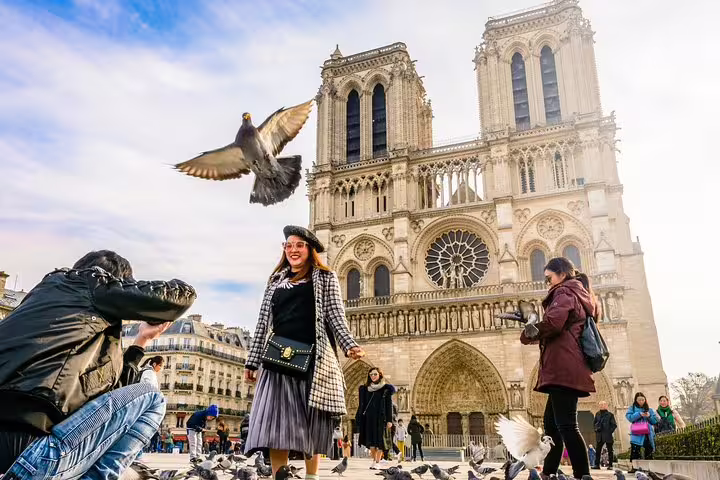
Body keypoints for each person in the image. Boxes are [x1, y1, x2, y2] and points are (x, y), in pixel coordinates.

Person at [0, 250, 196, 477]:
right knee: (152, 397)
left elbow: (114, 396)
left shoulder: (42, 306)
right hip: (33, 457)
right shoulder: (86, 281)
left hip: (14, 455)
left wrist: (141, 341)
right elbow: (178, 299)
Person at [243, 225, 365, 479]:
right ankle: (280, 475)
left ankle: (311, 476)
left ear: (309, 250)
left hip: (313, 358)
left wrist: (348, 344)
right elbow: (263, 321)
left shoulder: (325, 277)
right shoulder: (275, 281)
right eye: (289, 245)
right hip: (278, 358)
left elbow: (334, 315)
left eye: (299, 245)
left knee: (311, 422)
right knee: (276, 422)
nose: (293, 250)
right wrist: (252, 361)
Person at [520, 258, 597, 480]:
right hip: (564, 365)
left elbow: (554, 323)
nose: (547, 282)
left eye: (549, 277)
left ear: (562, 274)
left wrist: (529, 331)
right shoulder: (578, 293)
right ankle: (548, 472)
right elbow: (561, 328)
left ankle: (583, 475)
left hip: (564, 367)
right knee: (552, 425)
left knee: (567, 425)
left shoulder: (565, 292)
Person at [357, 367, 396, 469]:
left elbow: (389, 405)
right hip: (369, 419)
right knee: (371, 443)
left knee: (380, 442)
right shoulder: (365, 389)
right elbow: (361, 405)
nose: (373, 376)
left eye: (375, 374)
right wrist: (359, 417)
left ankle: (377, 461)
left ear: (380, 375)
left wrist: (389, 420)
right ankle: (375, 460)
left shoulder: (385, 389)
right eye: (371, 375)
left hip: (381, 419)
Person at [626, 392, 658, 467]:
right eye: (639, 400)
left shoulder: (649, 410)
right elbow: (629, 418)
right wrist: (639, 414)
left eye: (643, 400)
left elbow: (654, 421)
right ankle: (634, 467)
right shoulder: (632, 408)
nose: (641, 401)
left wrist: (649, 416)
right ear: (636, 400)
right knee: (635, 450)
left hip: (647, 432)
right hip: (637, 432)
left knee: (648, 449)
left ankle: (649, 467)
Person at [592, 400, 617, 470]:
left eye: (603, 404)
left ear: (606, 405)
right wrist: (596, 430)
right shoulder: (597, 414)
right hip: (599, 435)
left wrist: (609, 432)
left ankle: (610, 465)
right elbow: (594, 423)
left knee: (610, 450)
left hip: (607, 435)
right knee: (598, 450)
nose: (602, 406)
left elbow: (614, 425)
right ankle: (596, 465)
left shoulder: (610, 415)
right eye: (600, 405)